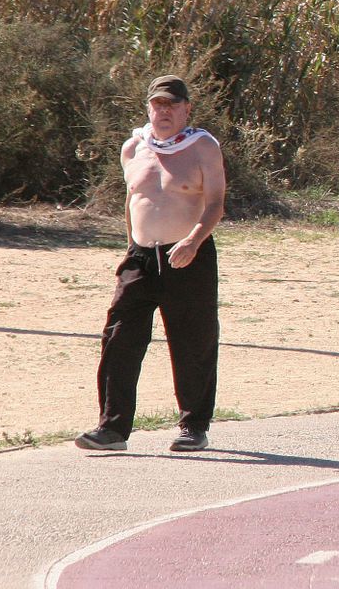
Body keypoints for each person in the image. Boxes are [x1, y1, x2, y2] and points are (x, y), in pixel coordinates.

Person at [76, 75, 226, 453]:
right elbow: (133, 202)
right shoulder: (134, 147)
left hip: (188, 255)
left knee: (193, 342)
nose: (164, 111)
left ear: (186, 108)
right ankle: (112, 429)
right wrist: (131, 248)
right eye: (158, 104)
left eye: (172, 105)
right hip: (142, 256)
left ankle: (194, 426)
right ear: (148, 108)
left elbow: (214, 205)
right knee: (119, 338)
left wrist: (193, 240)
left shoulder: (202, 146)